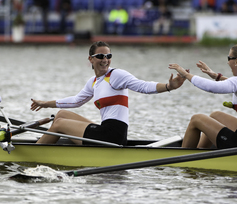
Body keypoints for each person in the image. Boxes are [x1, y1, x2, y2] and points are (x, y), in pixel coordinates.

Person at [31, 41, 185, 145]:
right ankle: (54, 140)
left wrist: (168, 86)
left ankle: (38, 150)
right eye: (100, 56)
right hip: (104, 130)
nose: (105, 60)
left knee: (59, 124)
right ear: (91, 59)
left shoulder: (116, 75)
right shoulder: (93, 81)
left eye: (108, 56)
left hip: (113, 135)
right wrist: (45, 104)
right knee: (61, 114)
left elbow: (143, 86)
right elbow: (75, 101)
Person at [168, 43, 237, 149]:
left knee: (196, 119)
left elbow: (212, 87)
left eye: (229, 58)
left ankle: (183, 158)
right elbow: (236, 84)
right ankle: (201, 152)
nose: (228, 62)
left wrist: (185, 74)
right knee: (216, 115)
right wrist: (216, 76)